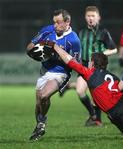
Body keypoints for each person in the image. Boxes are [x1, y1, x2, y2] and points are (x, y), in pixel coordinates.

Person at [26, 9, 81, 141]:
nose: (55, 25)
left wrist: (58, 53)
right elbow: (29, 47)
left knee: (44, 95)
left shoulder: (74, 40)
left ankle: (42, 122)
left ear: (67, 22)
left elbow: (76, 63)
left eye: (58, 22)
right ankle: (40, 124)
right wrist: (37, 52)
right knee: (39, 101)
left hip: (60, 73)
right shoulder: (47, 30)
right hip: (44, 71)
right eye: (54, 22)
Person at [72, 6, 117, 126]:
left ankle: (98, 119)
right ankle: (93, 114)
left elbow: (114, 49)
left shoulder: (104, 32)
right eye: (88, 16)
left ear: (98, 17)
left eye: (93, 16)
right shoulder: (81, 32)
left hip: (98, 68)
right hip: (84, 66)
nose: (90, 18)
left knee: (96, 96)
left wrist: (101, 54)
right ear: (85, 17)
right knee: (80, 91)